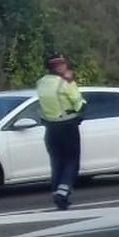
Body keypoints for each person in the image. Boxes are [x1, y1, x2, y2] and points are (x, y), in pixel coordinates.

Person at [35, 53, 85, 209]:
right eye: (61, 65)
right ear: (55, 67)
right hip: (67, 125)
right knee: (71, 161)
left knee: (57, 162)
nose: (65, 67)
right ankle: (62, 193)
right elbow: (79, 104)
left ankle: (57, 192)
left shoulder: (41, 82)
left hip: (50, 128)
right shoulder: (65, 83)